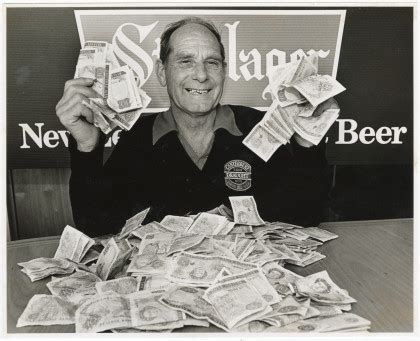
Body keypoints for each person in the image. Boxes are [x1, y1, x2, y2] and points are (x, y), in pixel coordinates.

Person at [56, 17, 337, 237]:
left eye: (212, 62)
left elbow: (305, 216)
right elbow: (95, 227)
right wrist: (87, 149)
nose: (201, 75)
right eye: (185, 61)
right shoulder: (136, 139)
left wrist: (306, 145)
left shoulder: (257, 126)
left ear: (223, 71)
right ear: (163, 72)